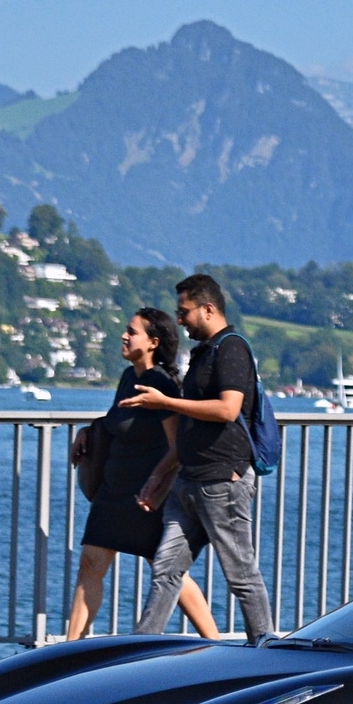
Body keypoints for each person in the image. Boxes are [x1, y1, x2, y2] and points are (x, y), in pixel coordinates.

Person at [122, 274, 274, 642]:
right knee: (166, 569)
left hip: (223, 481)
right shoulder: (204, 352)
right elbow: (190, 429)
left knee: (241, 575)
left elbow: (227, 408)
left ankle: (267, 647)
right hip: (190, 481)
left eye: (184, 311)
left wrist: (166, 402)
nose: (179, 319)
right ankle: (142, 649)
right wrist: (159, 477)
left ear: (208, 309)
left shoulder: (232, 348)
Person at [66, 310, 219, 640]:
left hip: (146, 495)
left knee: (166, 571)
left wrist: (158, 487)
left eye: (131, 332)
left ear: (153, 342)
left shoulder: (161, 386)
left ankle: (215, 642)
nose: (124, 336)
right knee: (90, 564)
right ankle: (70, 649)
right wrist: (88, 431)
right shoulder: (127, 377)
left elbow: (178, 444)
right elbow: (116, 421)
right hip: (114, 489)